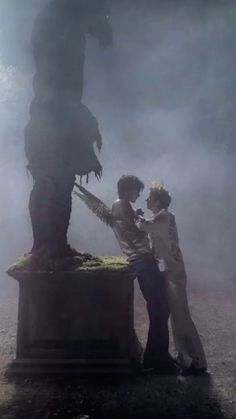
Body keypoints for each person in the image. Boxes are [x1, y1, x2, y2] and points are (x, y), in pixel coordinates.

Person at [136, 183, 207, 375]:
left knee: (181, 317)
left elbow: (145, 227)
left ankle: (198, 362)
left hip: (173, 273)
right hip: (170, 271)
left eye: (150, 198)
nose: (147, 200)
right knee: (176, 317)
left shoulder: (164, 217)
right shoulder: (164, 216)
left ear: (157, 201)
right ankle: (186, 358)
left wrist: (136, 216)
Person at [112, 175, 178, 374]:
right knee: (159, 307)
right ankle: (156, 359)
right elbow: (136, 233)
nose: (139, 194)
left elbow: (131, 228)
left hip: (142, 260)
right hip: (142, 260)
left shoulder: (122, 206)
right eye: (136, 190)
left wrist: (137, 216)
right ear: (127, 190)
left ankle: (157, 356)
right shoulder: (122, 204)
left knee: (159, 307)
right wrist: (139, 219)